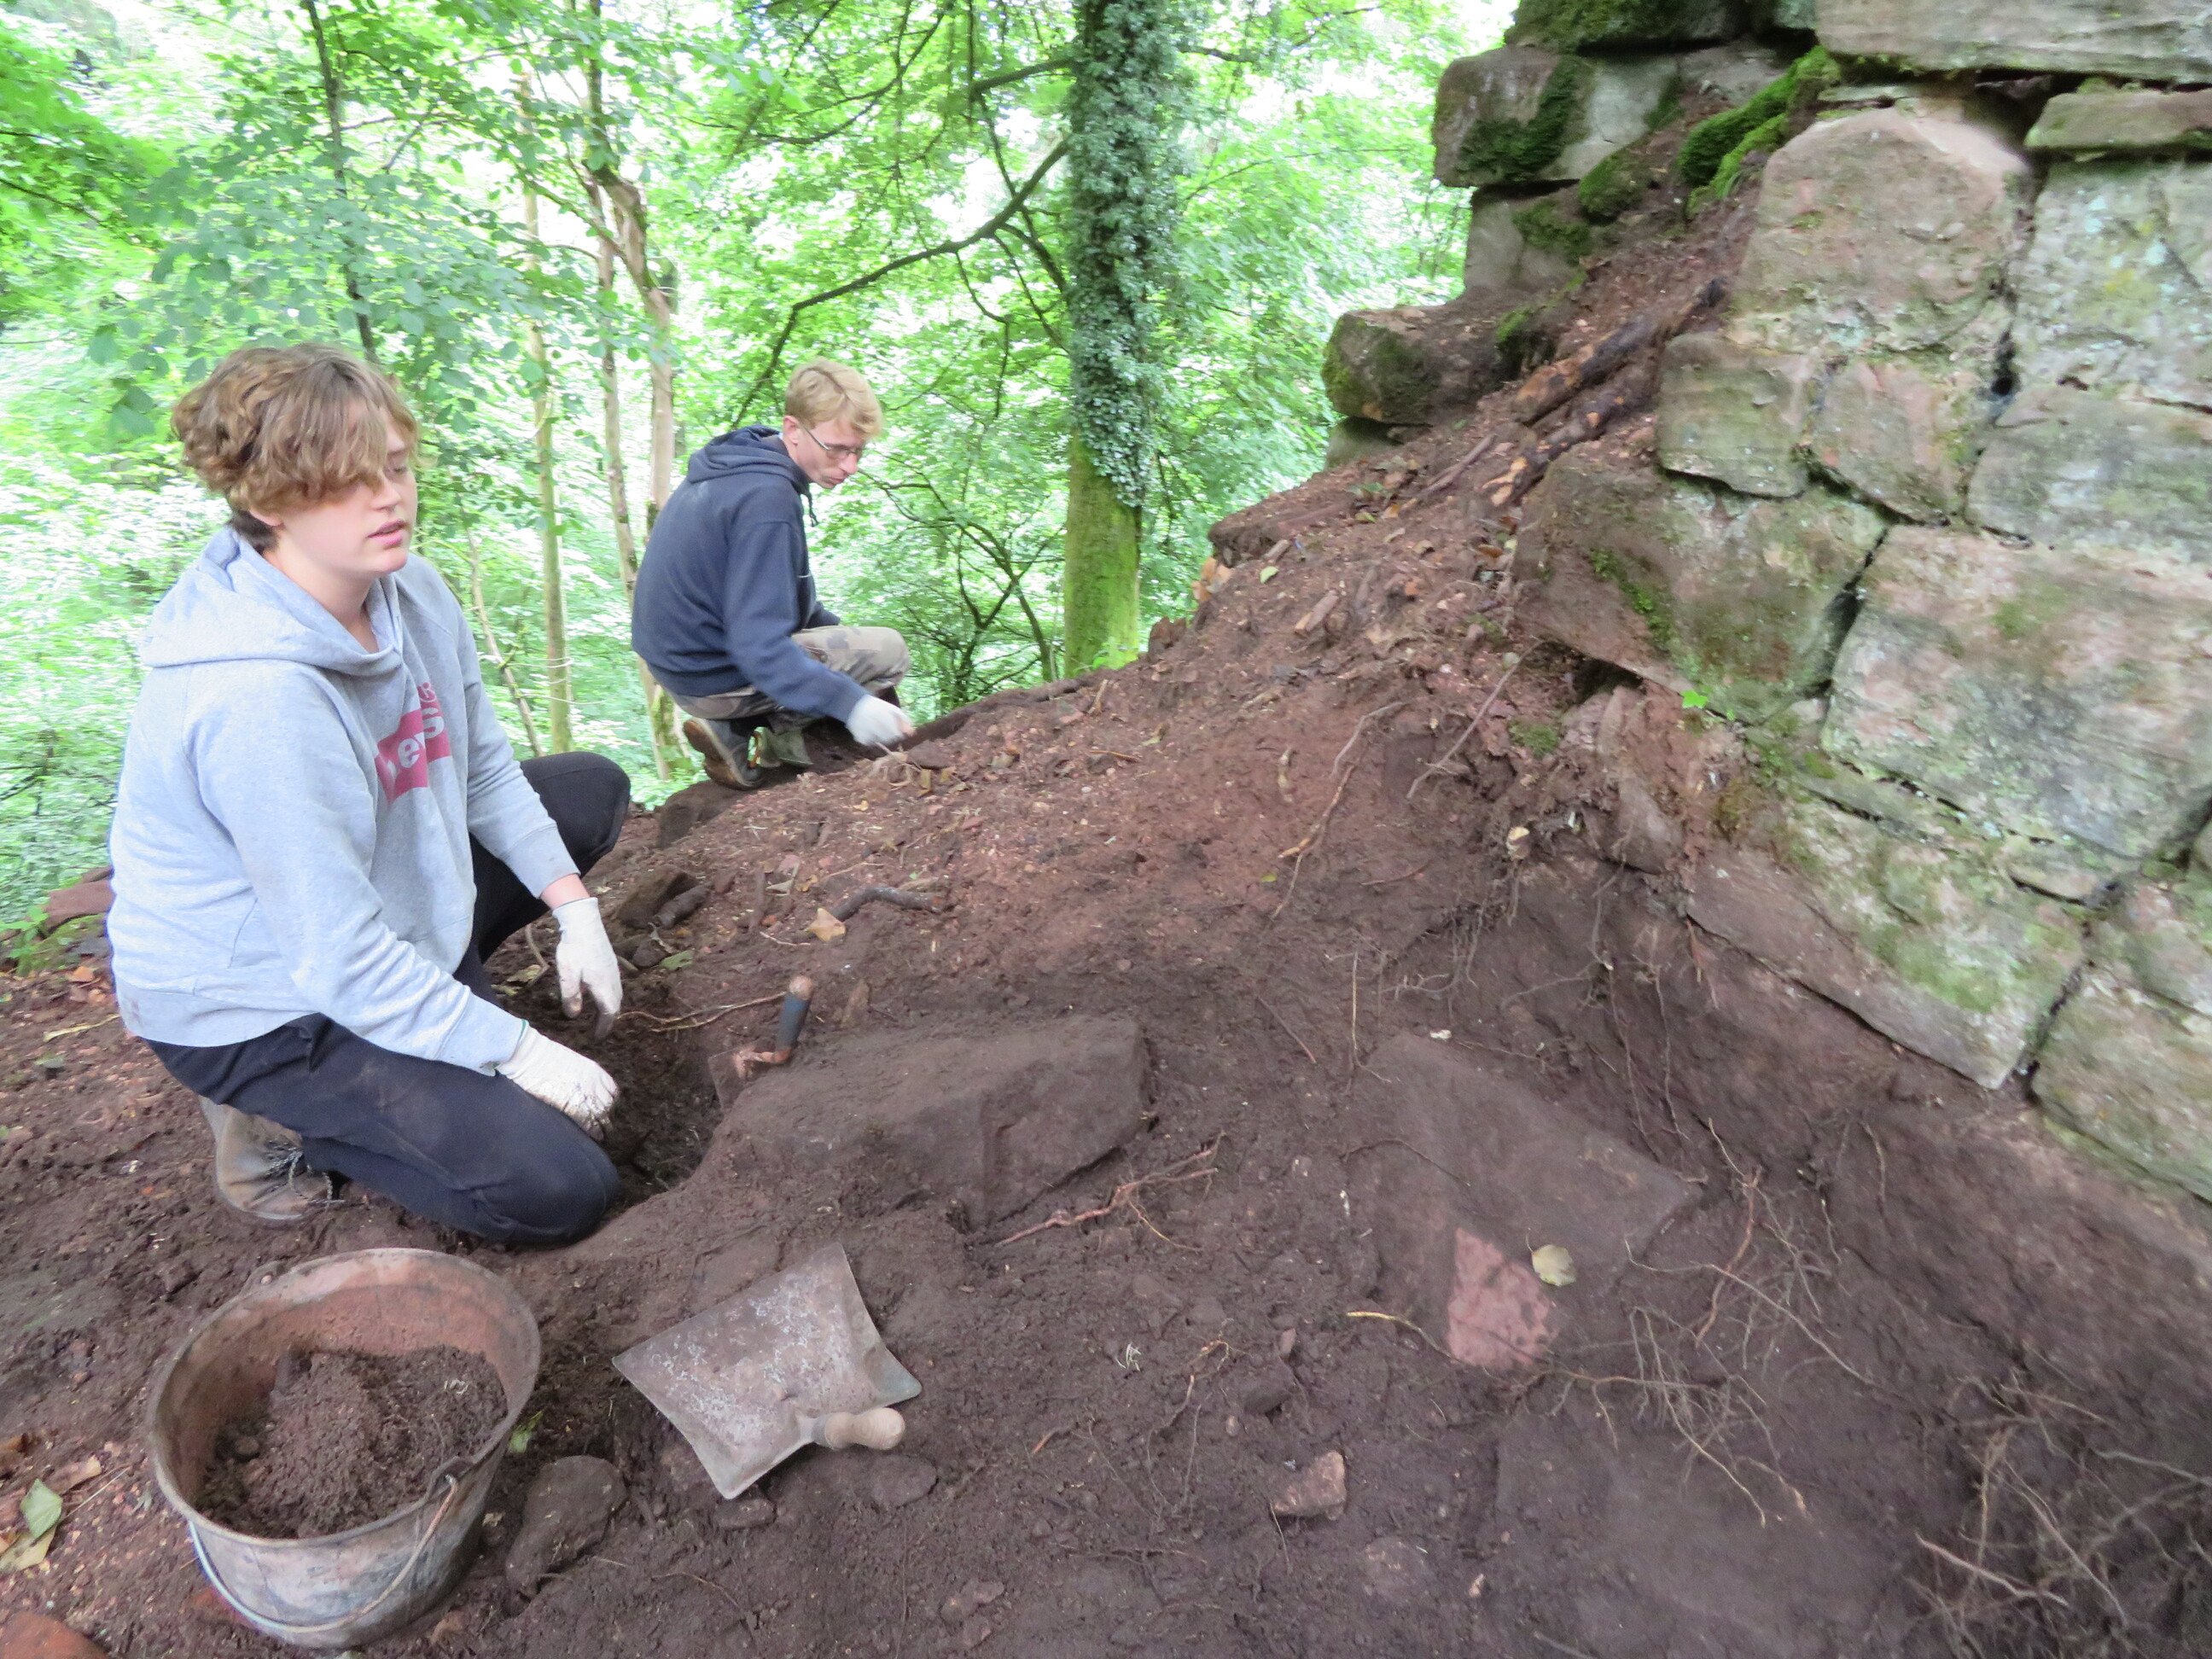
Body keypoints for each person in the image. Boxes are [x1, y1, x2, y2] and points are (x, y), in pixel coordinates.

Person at [106, 343, 630, 1243]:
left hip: (358, 915)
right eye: (345, 481)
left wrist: (575, 910)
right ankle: (280, 1121)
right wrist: (521, 1051)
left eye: (394, 466)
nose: (387, 498)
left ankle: (429, 1010)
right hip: (266, 1001)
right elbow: (339, 959)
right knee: (561, 1190)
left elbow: (482, 768)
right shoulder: (256, 698)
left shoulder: (410, 589)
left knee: (585, 790)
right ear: (269, 501)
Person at [632, 357, 915, 788]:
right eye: (837, 449)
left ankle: (735, 728)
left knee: (851, 642)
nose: (850, 466)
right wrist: (853, 704)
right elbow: (759, 645)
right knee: (890, 651)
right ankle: (770, 736)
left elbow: (782, 596)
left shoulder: (736, 466)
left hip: (680, 665)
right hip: (712, 677)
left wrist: (836, 634)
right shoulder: (768, 500)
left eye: (858, 450)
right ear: (793, 429)